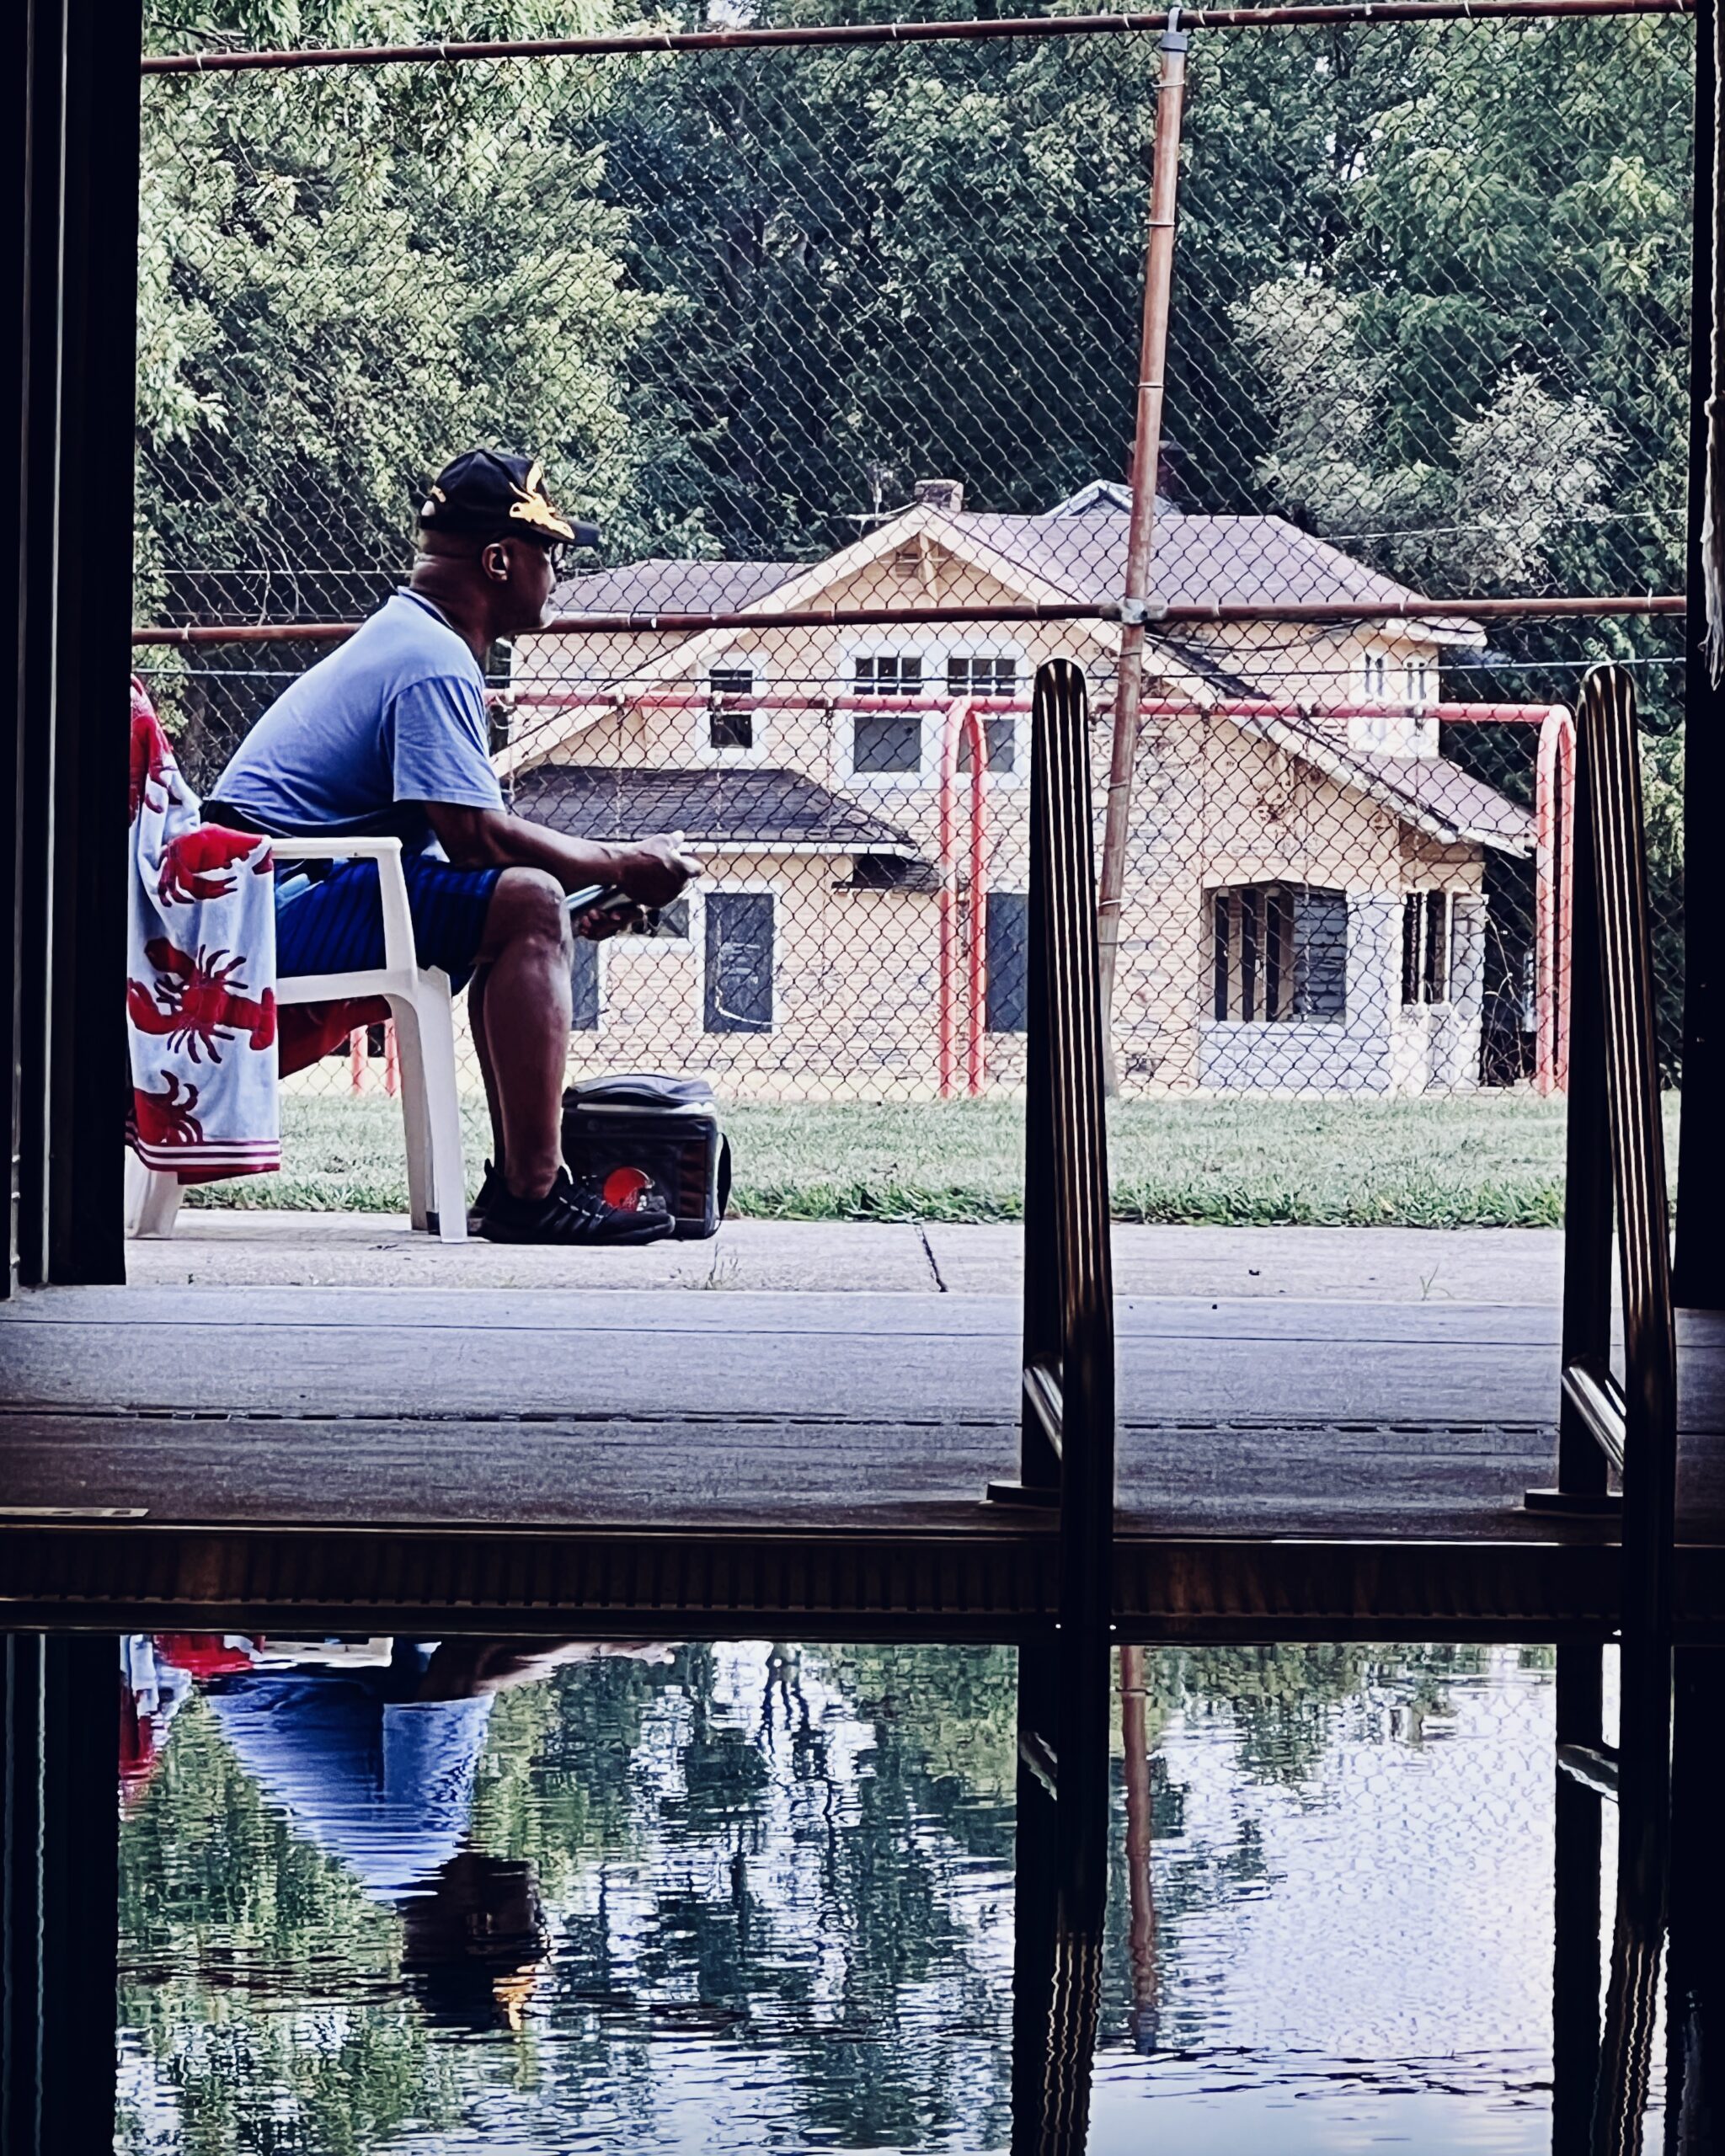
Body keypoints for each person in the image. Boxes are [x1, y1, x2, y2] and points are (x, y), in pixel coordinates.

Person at [206, 449, 700, 1246]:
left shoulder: (416, 639)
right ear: (500, 560)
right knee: (526, 903)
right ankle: (532, 1193)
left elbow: (458, 854)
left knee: (532, 907)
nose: (557, 575)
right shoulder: (431, 661)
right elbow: (477, 843)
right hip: (260, 911)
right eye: (552, 555)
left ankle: (521, 1187)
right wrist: (621, 865)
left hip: (261, 896)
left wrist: (571, 900)